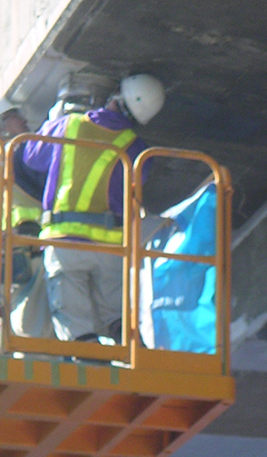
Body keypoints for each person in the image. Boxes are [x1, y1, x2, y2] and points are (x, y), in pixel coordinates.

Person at [21, 74, 165, 342]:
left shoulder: (68, 125)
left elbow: (31, 156)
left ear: (116, 96)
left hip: (65, 240)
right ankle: (127, 347)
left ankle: (87, 355)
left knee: (74, 315)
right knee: (115, 314)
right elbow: (139, 180)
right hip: (109, 246)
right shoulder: (135, 147)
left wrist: (52, 122)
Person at [0, 98, 53, 336]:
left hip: (7, 249)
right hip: (27, 244)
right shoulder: (18, 152)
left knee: (19, 315)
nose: (23, 120)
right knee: (35, 319)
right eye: (14, 116)